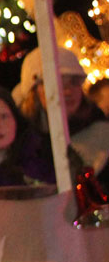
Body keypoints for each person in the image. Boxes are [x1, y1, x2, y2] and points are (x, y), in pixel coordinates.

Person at [13, 46, 109, 181]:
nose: (68, 92)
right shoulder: (18, 144)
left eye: (74, 82)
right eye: (57, 83)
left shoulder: (102, 137)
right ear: (34, 91)